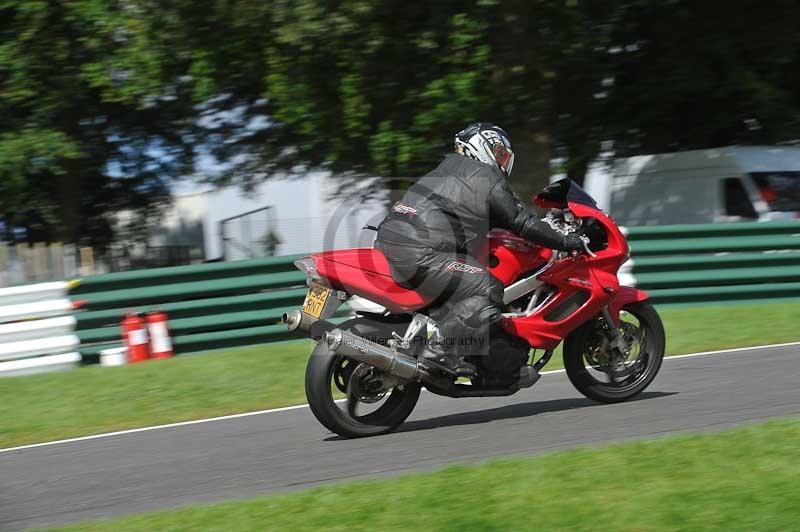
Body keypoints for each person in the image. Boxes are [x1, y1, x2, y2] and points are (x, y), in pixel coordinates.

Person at [375, 123, 584, 375]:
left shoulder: (449, 169)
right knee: (487, 288)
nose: (502, 161)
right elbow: (521, 221)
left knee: (465, 285)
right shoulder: (485, 176)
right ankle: (440, 352)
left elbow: (467, 212)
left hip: (392, 243)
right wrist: (565, 241)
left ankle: (466, 348)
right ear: (482, 147)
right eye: (499, 153)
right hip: (423, 252)